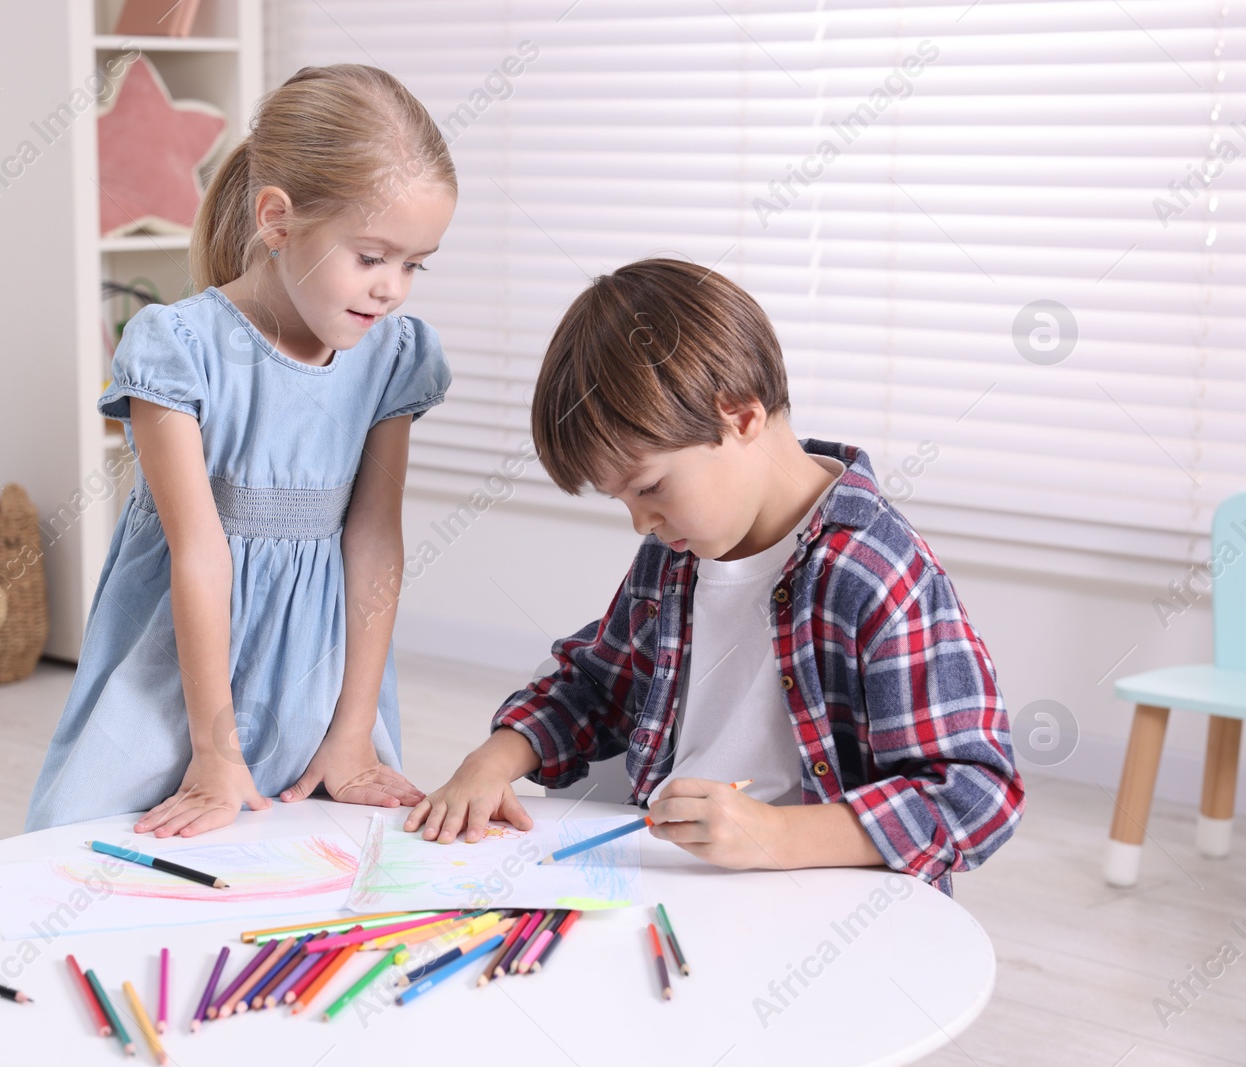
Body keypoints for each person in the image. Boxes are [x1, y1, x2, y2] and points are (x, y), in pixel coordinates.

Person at [405, 259, 1023, 893]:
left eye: (648, 488)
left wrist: (776, 836)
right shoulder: (678, 553)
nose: (641, 522)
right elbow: (600, 687)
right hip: (672, 878)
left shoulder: (872, 572)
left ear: (739, 416)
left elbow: (975, 793)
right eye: (622, 499)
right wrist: (493, 761)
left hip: (822, 898)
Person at [27, 65, 457, 836]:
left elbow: (374, 541)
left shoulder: (391, 355)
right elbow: (199, 554)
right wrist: (214, 749)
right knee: (82, 842)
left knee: (315, 856)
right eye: (371, 256)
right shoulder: (178, 349)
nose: (393, 288)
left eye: (414, 263)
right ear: (277, 219)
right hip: (181, 676)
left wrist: (353, 728)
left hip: (321, 676)